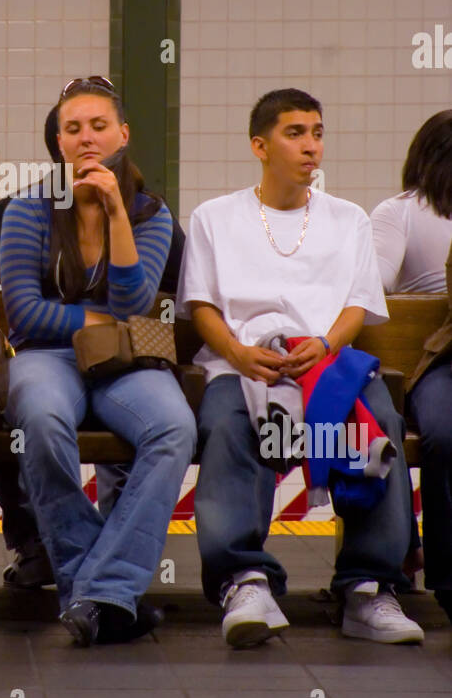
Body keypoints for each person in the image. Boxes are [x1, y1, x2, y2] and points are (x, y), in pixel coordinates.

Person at [177, 88, 424, 647]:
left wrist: (327, 343)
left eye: (317, 133)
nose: (311, 146)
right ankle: (245, 580)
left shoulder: (349, 219)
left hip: (328, 367)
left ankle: (368, 588)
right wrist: (239, 354)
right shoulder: (216, 217)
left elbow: (358, 303)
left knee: (376, 427)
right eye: (295, 134)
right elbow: (202, 306)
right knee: (230, 426)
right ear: (259, 146)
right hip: (244, 366)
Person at [0, 76, 196, 646]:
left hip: (123, 359)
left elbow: (135, 307)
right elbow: (26, 315)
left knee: (173, 425)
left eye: (99, 126)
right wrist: (94, 319)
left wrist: (114, 210)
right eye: (73, 128)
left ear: (123, 134)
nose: (87, 137)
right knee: (40, 419)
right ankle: (107, 593)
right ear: (58, 141)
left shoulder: (151, 215)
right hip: (47, 357)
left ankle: (95, 591)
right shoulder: (28, 209)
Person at [371, 110, 452, 625]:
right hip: (438, 358)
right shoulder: (400, 212)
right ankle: (445, 573)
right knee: (444, 432)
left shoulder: (397, 210)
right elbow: (371, 287)